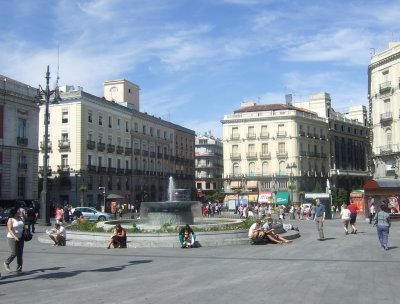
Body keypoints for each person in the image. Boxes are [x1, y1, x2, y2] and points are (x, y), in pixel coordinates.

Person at [4, 207, 25, 273]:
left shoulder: (20, 218)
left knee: (20, 254)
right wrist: (15, 237)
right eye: (18, 211)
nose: (19, 212)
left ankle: (19, 269)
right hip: (12, 238)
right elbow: (10, 229)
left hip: (21, 238)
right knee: (14, 253)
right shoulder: (11, 219)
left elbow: (22, 226)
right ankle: (7, 262)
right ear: (15, 212)